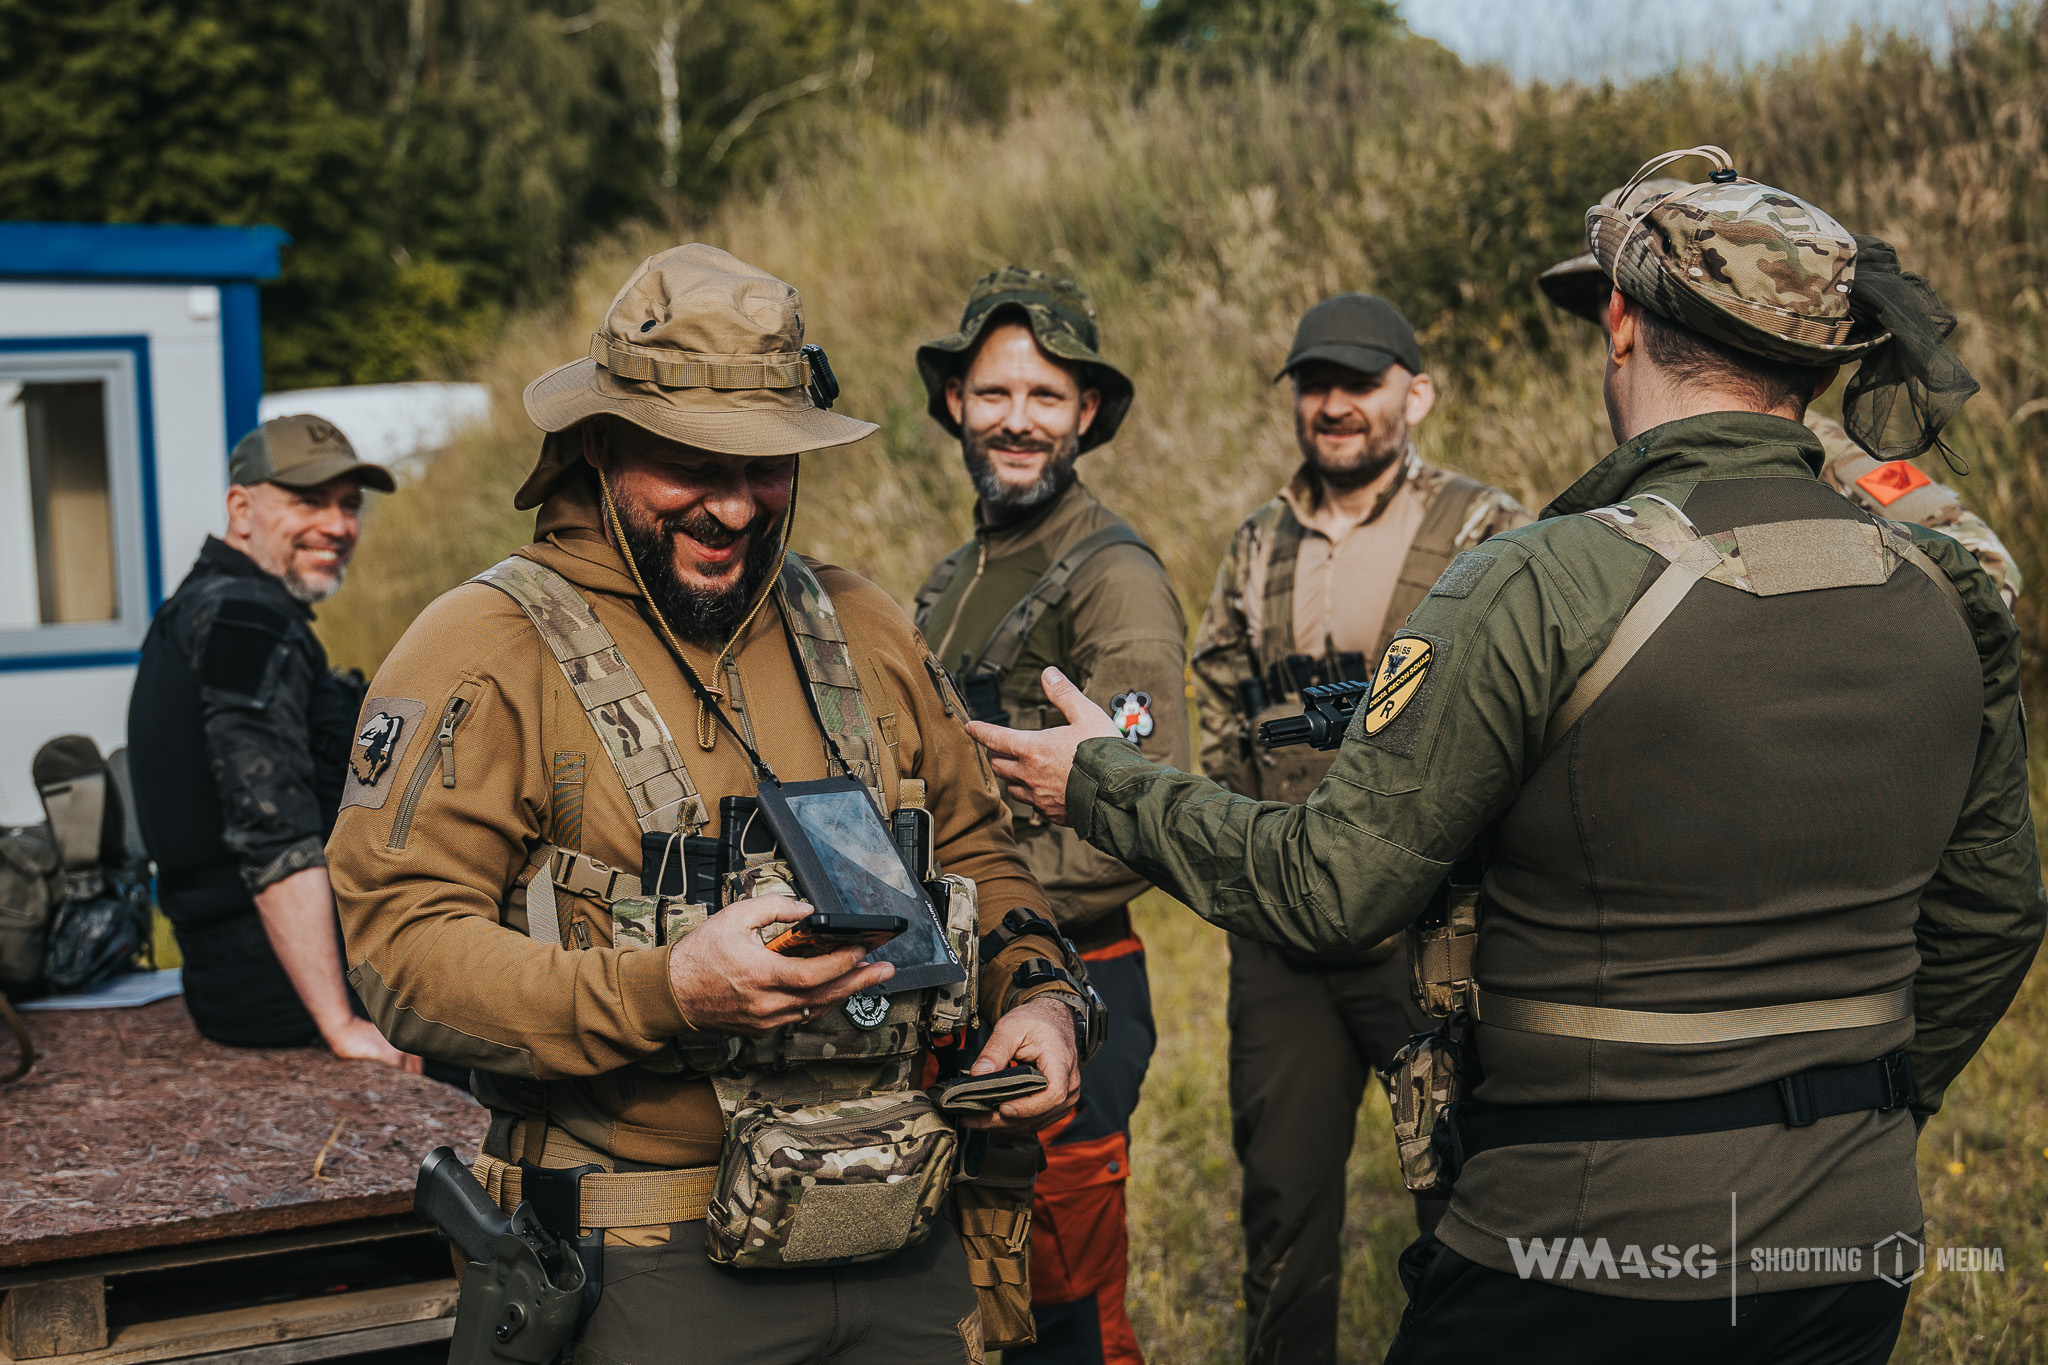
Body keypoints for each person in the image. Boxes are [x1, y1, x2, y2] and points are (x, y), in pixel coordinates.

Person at [967, 147, 2042, 1363]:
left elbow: (1333, 888)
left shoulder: (1540, 578)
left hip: (1575, 1255)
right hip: (1849, 1248)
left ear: (1621, 324)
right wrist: (1868, 1117)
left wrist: (1094, 781)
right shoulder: (1949, 588)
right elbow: (1996, 915)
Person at [328, 244, 1097, 1365]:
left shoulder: (862, 625)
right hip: (646, 1272)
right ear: (597, 443)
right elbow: (401, 955)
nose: (734, 506)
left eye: (770, 465)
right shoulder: (480, 651)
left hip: (907, 1250)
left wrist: (1038, 999)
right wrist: (667, 989)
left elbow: (979, 850)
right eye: (691, 461)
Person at [1189, 293, 1527, 1365]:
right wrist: (1250, 848)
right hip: (1283, 933)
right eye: (1312, 385)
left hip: (1433, 937)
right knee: (1282, 1202)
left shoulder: (1484, 527)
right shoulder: (1254, 541)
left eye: (1358, 383)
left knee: (1466, 1196)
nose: (1331, 406)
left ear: (1413, 394)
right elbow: (1214, 700)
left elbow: (1521, 710)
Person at [912, 267, 1187, 1365]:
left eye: (1043, 397)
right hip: (960, 984)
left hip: (1070, 981)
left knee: (1066, 1307)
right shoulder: (955, 575)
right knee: (975, 1299)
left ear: (1085, 416)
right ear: (953, 406)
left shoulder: (1109, 579)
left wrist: (979, 903)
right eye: (993, 394)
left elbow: (1146, 801)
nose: (1015, 421)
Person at [1538, 180, 2023, 608]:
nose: (1609, 313)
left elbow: (1986, 564)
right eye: (1604, 296)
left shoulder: (1821, 447)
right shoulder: (1631, 453)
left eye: (1617, 290)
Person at [127, 414, 415, 1069]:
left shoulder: (207, 603)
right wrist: (340, 1023)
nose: (338, 525)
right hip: (274, 981)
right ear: (241, 507)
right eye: (308, 500)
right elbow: (273, 830)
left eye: (350, 505)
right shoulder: (247, 619)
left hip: (235, 973)